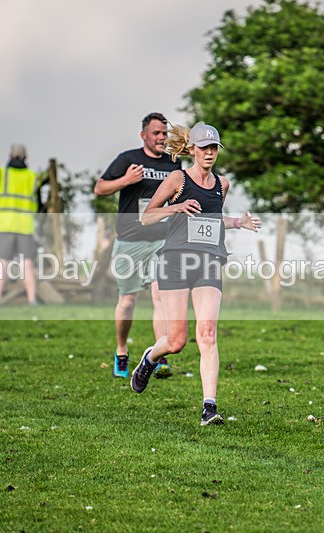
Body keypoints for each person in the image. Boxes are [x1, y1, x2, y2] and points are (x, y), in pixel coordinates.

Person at [134, 122, 261, 425]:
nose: (209, 153)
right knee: (176, 341)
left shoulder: (222, 184)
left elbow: (211, 220)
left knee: (207, 333)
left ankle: (210, 407)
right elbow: (146, 217)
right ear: (191, 149)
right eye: (204, 147)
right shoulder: (177, 179)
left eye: (214, 147)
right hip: (175, 262)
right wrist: (175, 208)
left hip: (209, 261)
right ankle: (150, 358)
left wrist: (237, 223)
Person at [94, 112, 181, 379]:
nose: (161, 138)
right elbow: (100, 188)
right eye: (156, 133)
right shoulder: (128, 159)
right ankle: (121, 351)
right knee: (128, 300)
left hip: (161, 240)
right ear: (143, 135)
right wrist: (126, 181)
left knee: (160, 296)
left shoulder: (172, 165)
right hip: (130, 240)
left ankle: (160, 356)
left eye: (164, 133)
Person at [0, 144, 41, 307]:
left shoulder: (2, 173)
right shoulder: (32, 176)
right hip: (25, 225)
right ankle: (32, 300)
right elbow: (38, 204)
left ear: (10, 156)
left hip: (4, 224)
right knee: (27, 264)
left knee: (2, 263)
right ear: (26, 158)